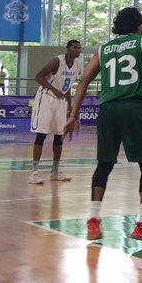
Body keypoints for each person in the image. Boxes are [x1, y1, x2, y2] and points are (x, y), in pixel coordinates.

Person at [65, 7, 142, 245]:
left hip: (108, 109)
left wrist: (73, 115)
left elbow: (83, 81)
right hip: (133, 107)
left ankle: (93, 220)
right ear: (139, 25)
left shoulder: (103, 49)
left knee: (104, 164)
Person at [29, 39, 83, 184]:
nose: (77, 50)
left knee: (60, 136)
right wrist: (54, 89)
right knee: (41, 135)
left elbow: (68, 87)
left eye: (79, 48)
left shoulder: (77, 64)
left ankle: (55, 171)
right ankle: (34, 173)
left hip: (61, 101)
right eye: (74, 47)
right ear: (68, 48)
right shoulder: (57, 61)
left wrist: (70, 106)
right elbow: (38, 76)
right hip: (46, 98)